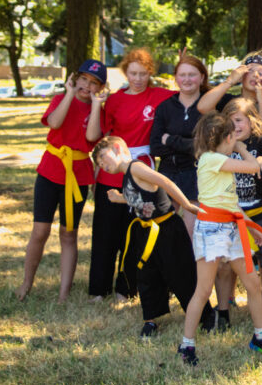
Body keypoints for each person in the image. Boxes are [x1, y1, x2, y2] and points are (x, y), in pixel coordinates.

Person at [178, 111, 262, 366]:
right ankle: (187, 346)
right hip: (212, 230)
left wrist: (252, 229)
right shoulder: (212, 159)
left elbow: (229, 200)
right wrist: (241, 147)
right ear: (225, 138)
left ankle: (261, 338)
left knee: (253, 284)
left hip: (232, 227)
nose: (235, 143)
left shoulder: (218, 160)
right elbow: (252, 167)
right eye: (232, 137)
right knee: (203, 290)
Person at [92, 136, 215, 337]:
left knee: (181, 275)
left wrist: (186, 205)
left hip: (167, 230)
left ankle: (206, 316)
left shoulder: (135, 168)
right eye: (99, 164)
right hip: (146, 231)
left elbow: (164, 181)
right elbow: (140, 198)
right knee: (147, 276)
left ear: (117, 148)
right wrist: (120, 199)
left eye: (103, 158)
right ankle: (151, 320)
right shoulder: (127, 175)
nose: (102, 164)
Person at [86, 48, 175, 302]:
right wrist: (96, 104)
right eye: (133, 73)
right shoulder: (114, 100)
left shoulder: (160, 96)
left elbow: (190, 96)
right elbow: (97, 137)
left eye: (143, 74)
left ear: (150, 73)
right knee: (105, 233)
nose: (138, 79)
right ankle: (97, 289)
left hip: (141, 173)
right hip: (111, 174)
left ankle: (126, 288)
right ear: (126, 72)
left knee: (134, 233)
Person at [15, 60, 107, 302]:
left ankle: (63, 293)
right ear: (75, 79)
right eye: (84, 79)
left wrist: (96, 106)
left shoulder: (98, 111)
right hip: (51, 169)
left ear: (101, 87)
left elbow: (91, 137)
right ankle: (26, 283)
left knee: (68, 233)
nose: (87, 85)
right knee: (40, 231)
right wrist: (68, 94)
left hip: (77, 175)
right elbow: (54, 123)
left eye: (94, 82)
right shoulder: (60, 100)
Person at [150, 55, 210, 241]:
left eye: (192, 75)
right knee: (165, 233)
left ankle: (192, 270)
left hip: (196, 174)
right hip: (168, 173)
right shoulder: (165, 108)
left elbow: (205, 148)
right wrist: (189, 144)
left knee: (192, 233)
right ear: (175, 77)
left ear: (201, 77)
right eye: (182, 74)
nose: (186, 79)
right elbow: (156, 147)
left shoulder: (208, 107)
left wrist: (171, 140)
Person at [197, 50, 262, 142]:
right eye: (250, 71)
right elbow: (203, 107)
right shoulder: (228, 101)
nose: (255, 75)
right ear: (241, 76)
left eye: (261, 73)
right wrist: (230, 81)